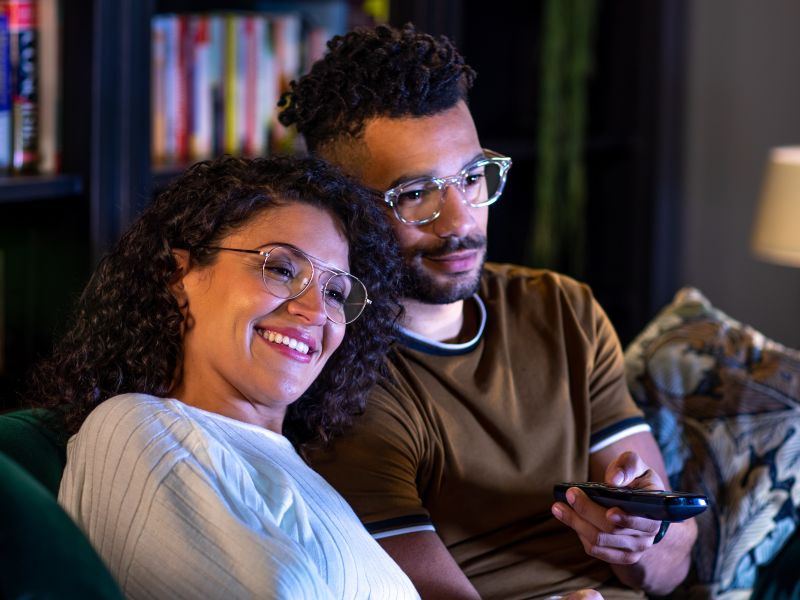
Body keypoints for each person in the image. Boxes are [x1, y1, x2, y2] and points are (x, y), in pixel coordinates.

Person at [278, 23, 699, 599]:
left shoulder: (561, 308)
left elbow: (674, 566)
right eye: (417, 194)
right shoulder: (344, 377)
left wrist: (641, 540)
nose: (461, 222)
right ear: (343, 206)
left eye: (473, 177)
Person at [28, 155, 420, 598]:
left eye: (334, 293)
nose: (314, 311)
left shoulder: (306, 472)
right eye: (281, 269)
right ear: (179, 274)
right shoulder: (132, 427)